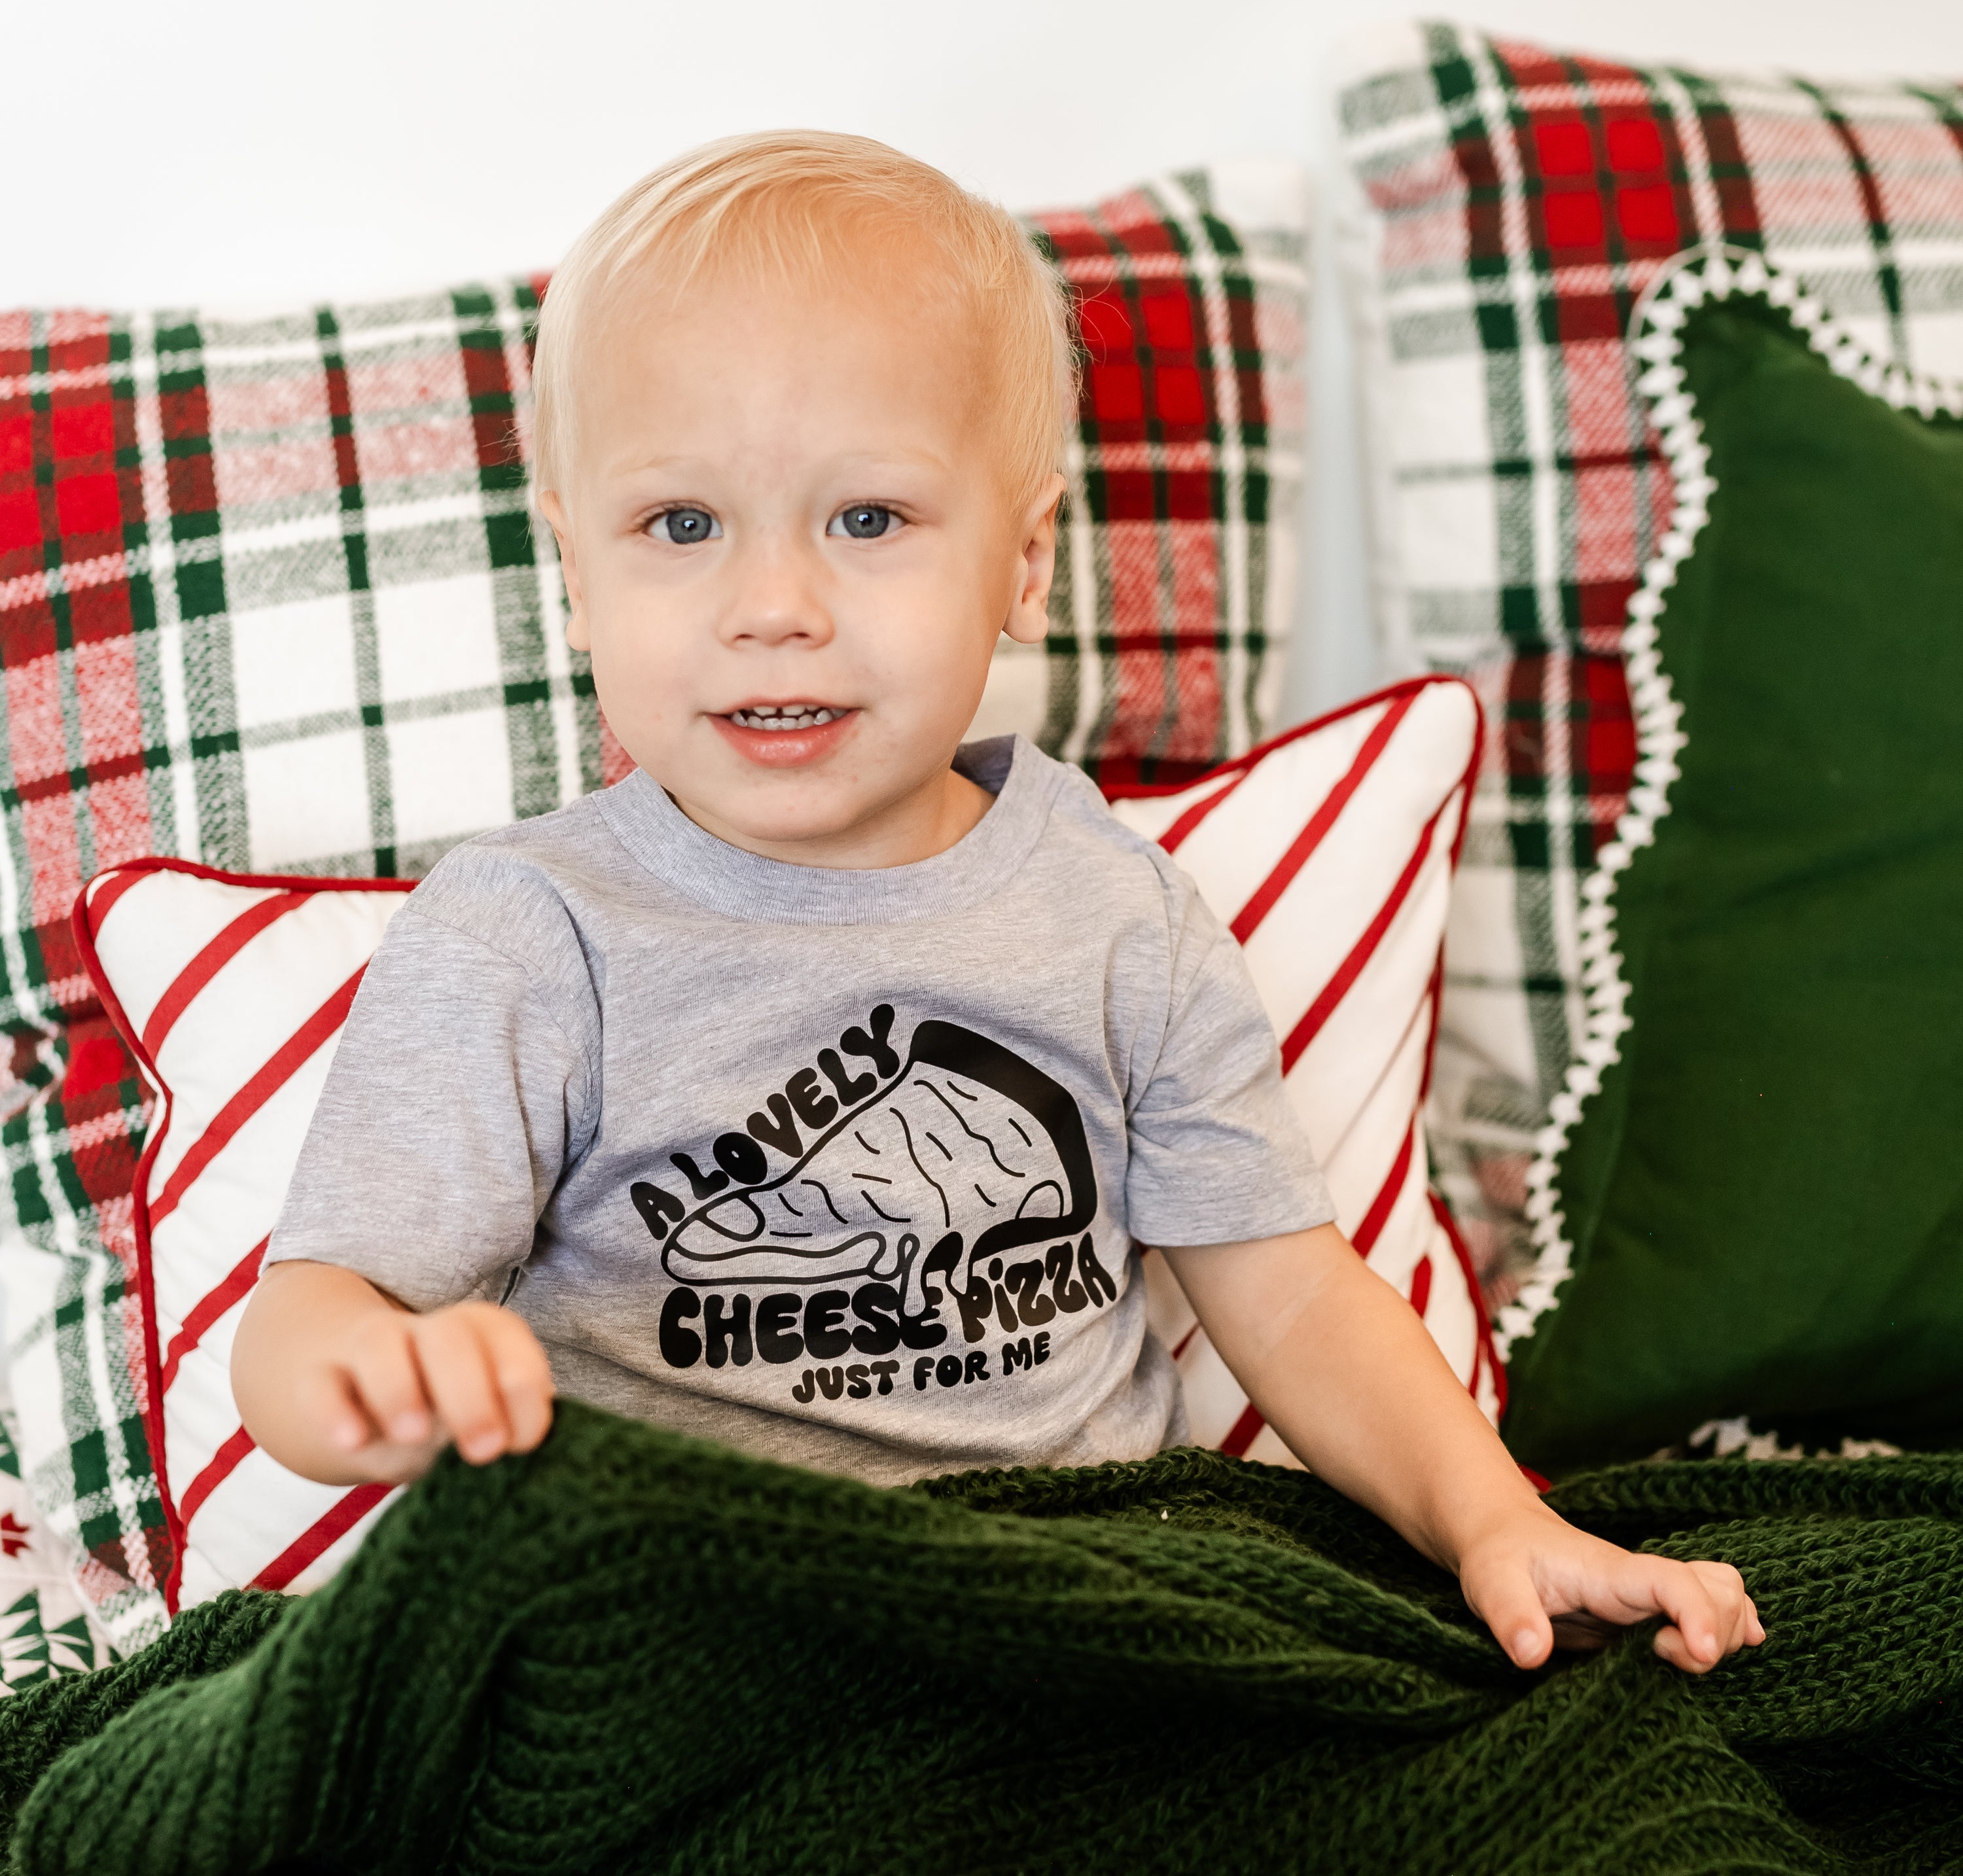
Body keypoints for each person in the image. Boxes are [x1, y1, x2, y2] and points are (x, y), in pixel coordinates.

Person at [232, 132, 1761, 1676]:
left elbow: (1290, 1297)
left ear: (1024, 562)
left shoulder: (1113, 911)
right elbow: (309, 1313)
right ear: (575, 573)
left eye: (869, 521)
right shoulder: (532, 931)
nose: (775, 609)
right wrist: (377, 1375)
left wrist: (1497, 1523)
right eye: (682, 527)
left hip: (1075, 1609)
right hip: (691, 1633)